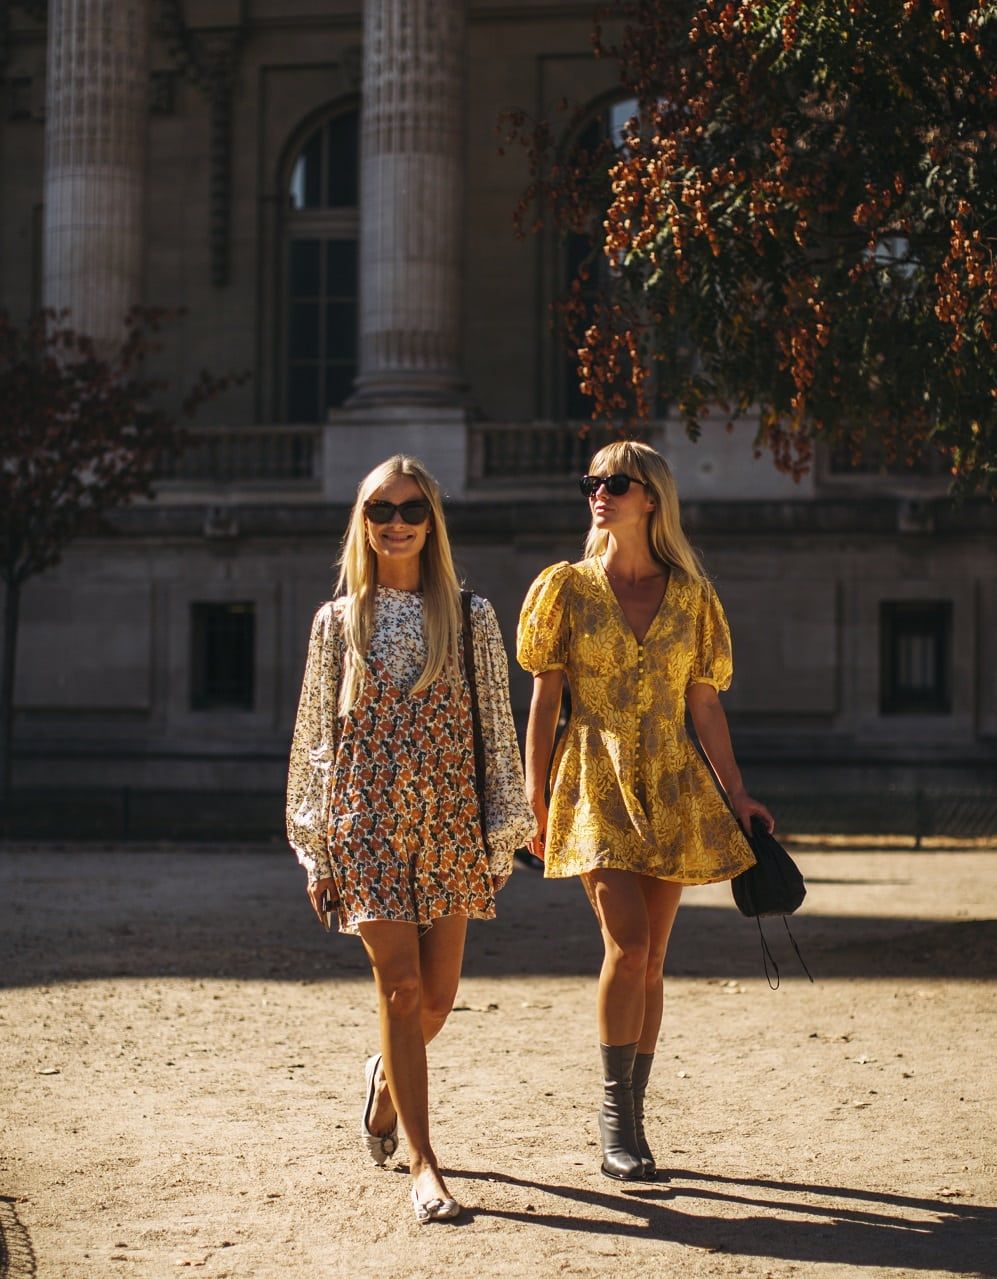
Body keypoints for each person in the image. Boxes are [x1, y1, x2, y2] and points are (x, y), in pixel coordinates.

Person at [517, 440, 772, 1183]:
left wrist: (736, 792)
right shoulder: (563, 587)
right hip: (591, 776)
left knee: (653, 961)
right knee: (626, 947)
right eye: (591, 480)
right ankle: (613, 1121)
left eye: (615, 482)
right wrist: (532, 794)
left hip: (670, 781)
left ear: (650, 498)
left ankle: (634, 1113)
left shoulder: (691, 595)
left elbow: (705, 704)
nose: (599, 492)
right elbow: (542, 701)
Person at [287, 454, 533, 1224]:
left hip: (451, 820)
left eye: (411, 509)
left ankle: (384, 1079)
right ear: (361, 521)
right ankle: (426, 1167)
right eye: (379, 509)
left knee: (434, 999)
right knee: (397, 989)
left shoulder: (471, 616)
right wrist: (316, 845)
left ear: (432, 523)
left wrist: (501, 836)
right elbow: (312, 740)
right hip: (362, 821)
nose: (395, 522)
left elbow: (496, 730)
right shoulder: (337, 620)